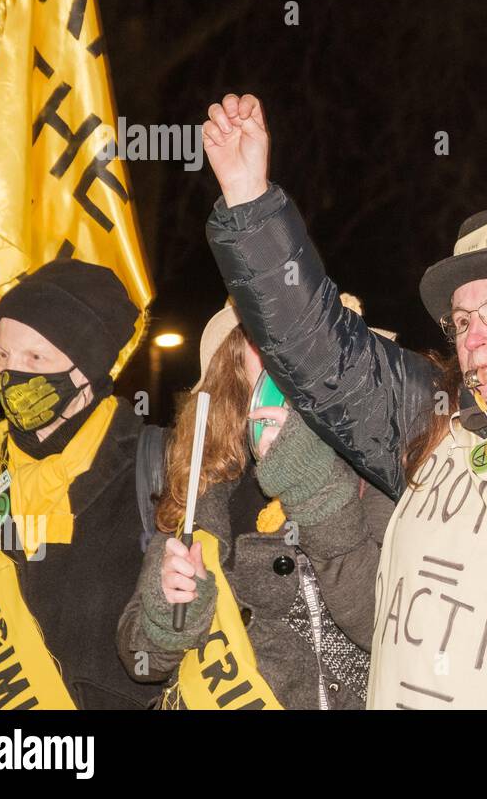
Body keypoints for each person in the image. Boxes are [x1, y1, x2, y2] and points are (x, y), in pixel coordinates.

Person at [200, 93, 487, 709]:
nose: (476, 335)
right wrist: (249, 196)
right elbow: (319, 349)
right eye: (462, 323)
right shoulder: (430, 425)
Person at [117, 301, 391, 708]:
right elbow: (140, 663)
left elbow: (393, 627)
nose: (286, 350)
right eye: (265, 335)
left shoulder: (378, 472)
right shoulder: (203, 484)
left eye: (306, 336)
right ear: (235, 358)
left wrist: (314, 487)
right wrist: (171, 614)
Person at [0, 259, 154, 708]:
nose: (11, 375)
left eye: (36, 358)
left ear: (87, 369)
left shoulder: (158, 468)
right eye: (3, 355)